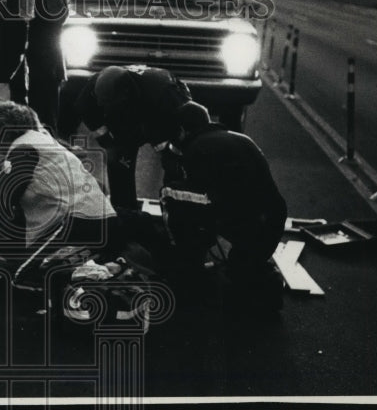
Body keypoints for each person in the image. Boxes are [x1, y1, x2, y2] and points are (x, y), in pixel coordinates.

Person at [160, 101, 287, 311]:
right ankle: (259, 279)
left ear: (182, 130)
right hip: (273, 219)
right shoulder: (240, 138)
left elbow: (203, 202)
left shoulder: (196, 149)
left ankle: (188, 261)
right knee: (241, 265)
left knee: (171, 193)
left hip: (247, 224)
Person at [0, 102, 117, 251]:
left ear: (3, 133)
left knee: (24, 273)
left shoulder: (21, 148)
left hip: (72, 223)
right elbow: (32, 179)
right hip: (100, 216)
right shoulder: (43, 141)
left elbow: (3, 199)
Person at [65, 64, 192, 213]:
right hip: (124, 121)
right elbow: (87, 112)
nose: (103, 106)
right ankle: (123, 211)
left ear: (125, 94)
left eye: (109, 103)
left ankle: (173, 210)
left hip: (157, 116)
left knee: (173, 162)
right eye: (102, 103)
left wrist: (169, 150)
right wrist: (108, 143)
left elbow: (184, 125)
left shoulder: (165, 93)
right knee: (118, 160)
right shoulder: (94, 89)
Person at [0, 0, 68, 129]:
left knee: (47, 125)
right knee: (20, 125)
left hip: (46, 67)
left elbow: (61, 14)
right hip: (17, 69)